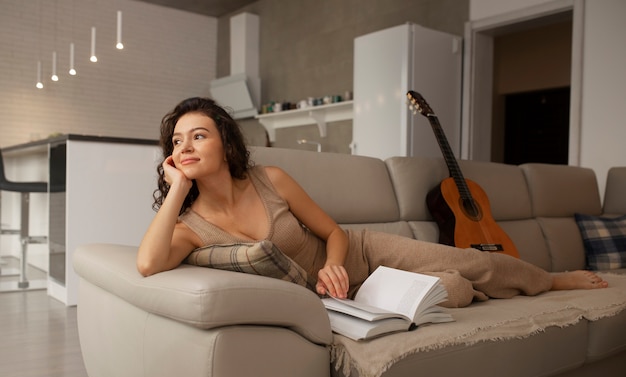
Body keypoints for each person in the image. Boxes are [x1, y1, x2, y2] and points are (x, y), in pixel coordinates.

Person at [137, 97, 608, 308]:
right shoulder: (191, 227)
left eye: (199, 135)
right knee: (457, 288)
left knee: (469, 262)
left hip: (359, 255)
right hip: (346, 299)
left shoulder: (270, 179)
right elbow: (148, 265)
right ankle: (471, 291)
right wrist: (177, 189)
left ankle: (551, 280)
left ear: (226, 144)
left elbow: (334, 232)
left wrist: (332, 265)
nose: (186, 147)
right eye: (177, 141)